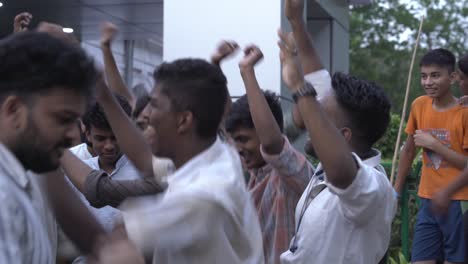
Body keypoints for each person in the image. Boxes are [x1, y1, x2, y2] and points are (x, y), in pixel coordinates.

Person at [96, 58, 264, 264]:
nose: (146, 115)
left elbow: (116, 246)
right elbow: (145, 160)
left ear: (184, 120)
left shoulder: (205, 194)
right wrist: (103, 95)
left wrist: (48, 151)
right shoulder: (213, 157)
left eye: (154, 105)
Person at [278, 0, 396, 263]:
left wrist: (298, 86)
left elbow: (344, 175)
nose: (311, 120)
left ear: (343, 137)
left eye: (320, 117)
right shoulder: (330, 160)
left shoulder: (374, 187)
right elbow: (319, 80)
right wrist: (296, 20)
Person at [0, 30, 103, 264]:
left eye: (76, 122)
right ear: (14, 110)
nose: (72, 136)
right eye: (62, 119)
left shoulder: (24, 173)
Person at [225, 45, 311, 263]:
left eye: (244, 139)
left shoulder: (291, 176)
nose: (238, 148)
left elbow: (272, 143)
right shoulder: (252, 174)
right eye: (235, 141)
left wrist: (247, 72)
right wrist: (216, 66)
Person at [393, 48, 468, 264]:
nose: (428, 82)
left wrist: (435, 145)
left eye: (436, 75)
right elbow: (409, 150)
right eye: (424, 76)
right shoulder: (419, 105)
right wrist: (396, 190)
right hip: (427, 199)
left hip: (459, 201)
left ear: (452, 77)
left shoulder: (464, 112)